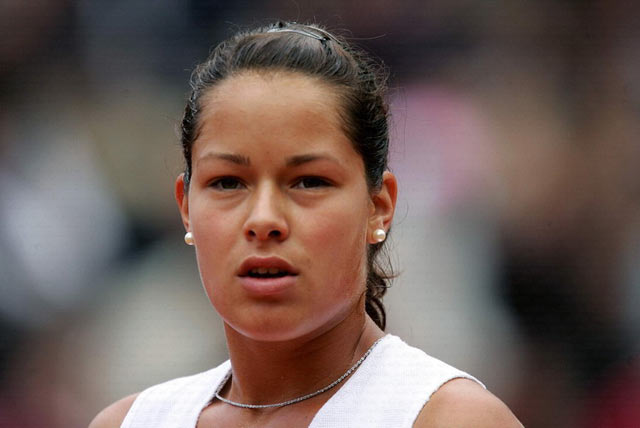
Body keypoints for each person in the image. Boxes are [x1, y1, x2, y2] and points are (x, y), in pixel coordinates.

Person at [89, 22, 522, 427]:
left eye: (309, 182)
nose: (264, 221)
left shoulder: (448, 419)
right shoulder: (133, 421)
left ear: (379, 206)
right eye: (227, 182)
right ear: (185, 207)